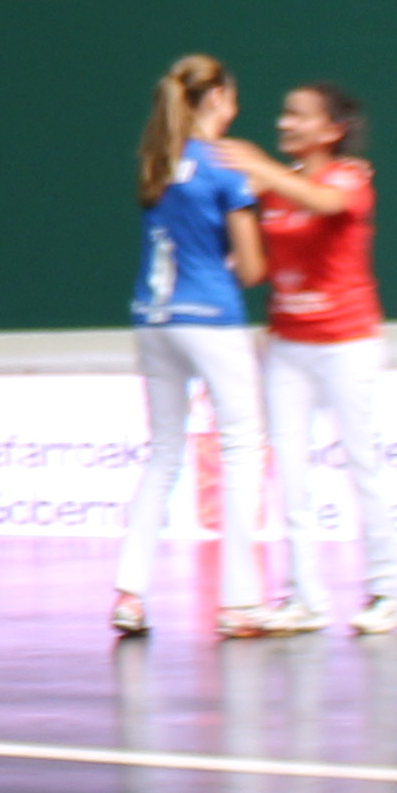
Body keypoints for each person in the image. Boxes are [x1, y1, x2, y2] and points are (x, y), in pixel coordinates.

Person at [108, 54, 280, 638]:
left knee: (163, 455)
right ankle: (240, 602)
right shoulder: (226, 167)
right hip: (210, 318)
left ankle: (129, 595)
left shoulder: (156, 162)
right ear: (218, 101)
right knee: (243, 449)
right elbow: (253, 267)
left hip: (152, 318)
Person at [227, 83, 395, 634]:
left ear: (331, 131)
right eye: (283, 113)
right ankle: (304, 598)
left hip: (348, 344)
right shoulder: (273, 191)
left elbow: (325, 204)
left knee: (362, 463)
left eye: (298, 116)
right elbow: (258, 265)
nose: (284, 123)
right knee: (293, 475)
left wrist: (260, 167)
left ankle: (388, 593)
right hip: (289, 348)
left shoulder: (350, 177)